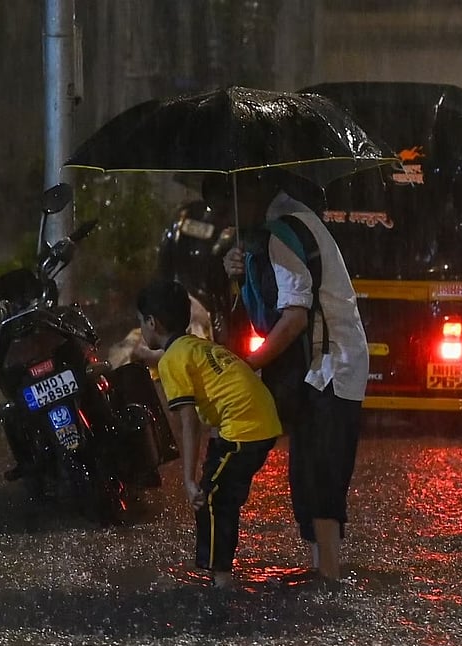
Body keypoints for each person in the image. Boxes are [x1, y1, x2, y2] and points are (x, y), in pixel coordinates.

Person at [205, 170, 369, 582]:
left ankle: (329, 576)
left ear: (248, 196)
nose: (224, 219)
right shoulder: (275, 233)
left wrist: (250, 365)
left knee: (321, 470)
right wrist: (238, 273)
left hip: (331, 366)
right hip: (319, 367)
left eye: (225, 208)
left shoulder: (284, 234)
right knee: (306, 470)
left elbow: (294, 317)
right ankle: (322, 572)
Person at [136, 279, 281, 589]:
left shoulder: (174, 360)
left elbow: (189, 423)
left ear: (152, 322)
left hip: (246, 428)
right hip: (260, 420)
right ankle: (218, 571)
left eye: (141, 325)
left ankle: (221, 583)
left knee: (209, 497)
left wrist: (187, 479)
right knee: (220, 489)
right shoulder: (195, 347)